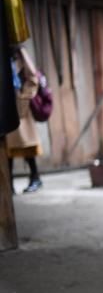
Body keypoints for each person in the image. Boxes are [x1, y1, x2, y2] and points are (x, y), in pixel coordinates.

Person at [8, 45, 42, 194]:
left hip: (19, 106)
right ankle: (8, 183)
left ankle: (35, 177)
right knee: (6, 148)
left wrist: (23, 96)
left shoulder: (18, 55)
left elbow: (32, 77)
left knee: (26, 145)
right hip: (6, 105)